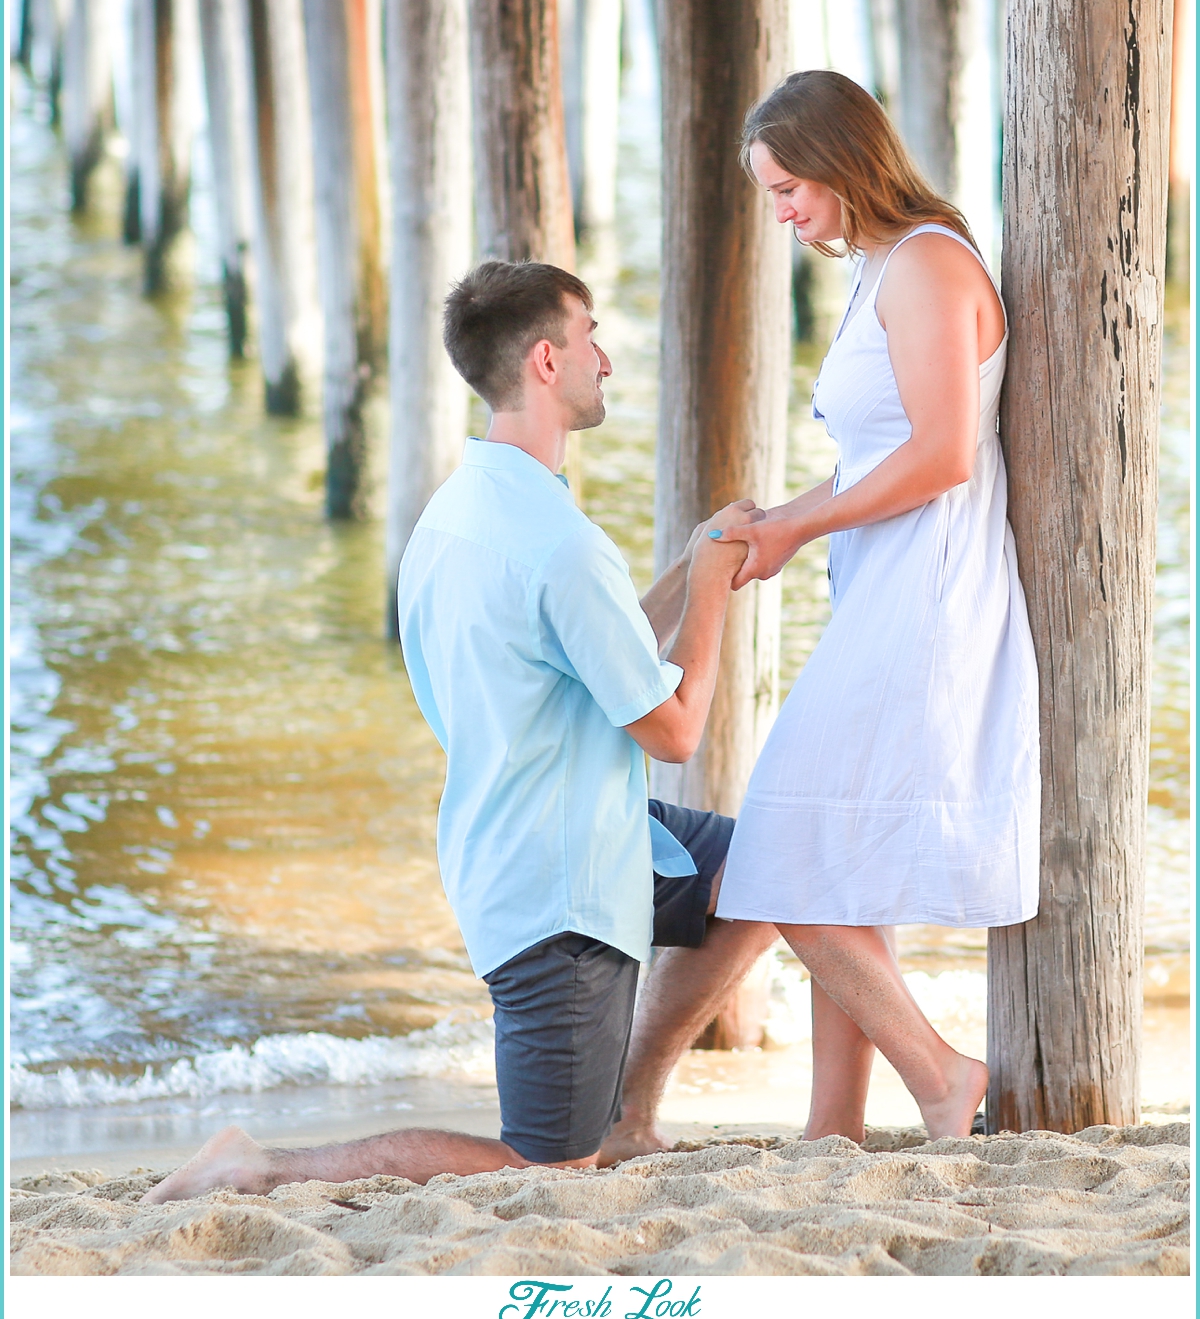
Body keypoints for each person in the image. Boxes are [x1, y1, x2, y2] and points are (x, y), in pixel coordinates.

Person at [143, 260, 775, 1205]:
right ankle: (259, 1166)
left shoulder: (457, 517)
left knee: (764, 870)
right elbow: (676, 731)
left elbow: (598, 654)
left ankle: (633, 1117)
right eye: (592, 335)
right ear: (548, 359)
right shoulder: (559, 545)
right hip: (555, 889)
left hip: (563, 833)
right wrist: (720, 587)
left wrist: (688, 564)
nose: (608, 357)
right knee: (548, 1168)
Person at [712, 70, 1039, 1143]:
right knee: (833, 856)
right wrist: (782, 521)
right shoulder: (882, 266)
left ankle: (945, 1077)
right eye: (771, 194)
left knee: (779, 849)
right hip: (883, 592)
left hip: (931, 604)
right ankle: (832, 1125)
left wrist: (805, 527)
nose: (784, 212)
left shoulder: (931, 266)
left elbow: (945, 454)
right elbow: (878, 455)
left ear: (847, 166)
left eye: (791, 187)